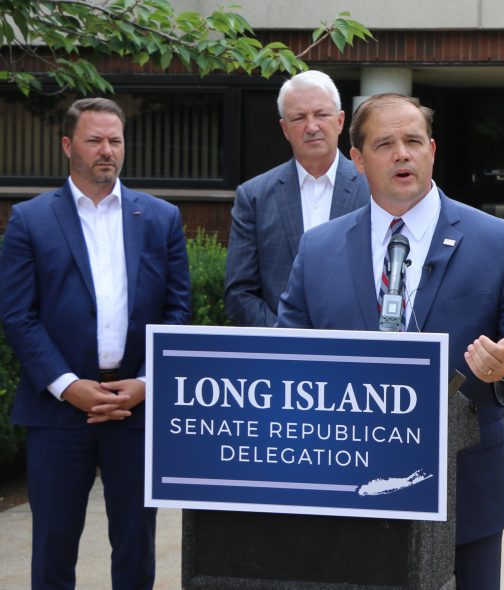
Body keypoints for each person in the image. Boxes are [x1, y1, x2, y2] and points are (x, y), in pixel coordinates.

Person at [277, 93, 504, 589]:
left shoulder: (498, 241)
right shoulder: (318, 248)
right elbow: (287, 354)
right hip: (346, 489)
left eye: (412, 141)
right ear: (358, 160)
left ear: (432, 150)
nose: (402, 154)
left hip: (463, 487)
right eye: (385, 144)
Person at [0, 98, 191, 589]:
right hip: (59, 413)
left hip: (135, 411)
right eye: (94, 140)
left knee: (135, 548)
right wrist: (67, 386)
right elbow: (18, 315)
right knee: (53, 548)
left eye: (115, 140)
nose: (107, 150)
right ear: (68, 145)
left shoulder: (162, 218)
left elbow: (178, 312)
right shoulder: (30, 220)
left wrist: (147, 383)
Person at [225, 69, 370, 327]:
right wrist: (286, 339)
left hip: (355, 353)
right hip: (279, 356)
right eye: (299, 117)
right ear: (285, 128)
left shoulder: (373, 191)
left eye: (321, 115)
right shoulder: (254, 197)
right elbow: (240, 293)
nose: (312, 126)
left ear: (340, 121)